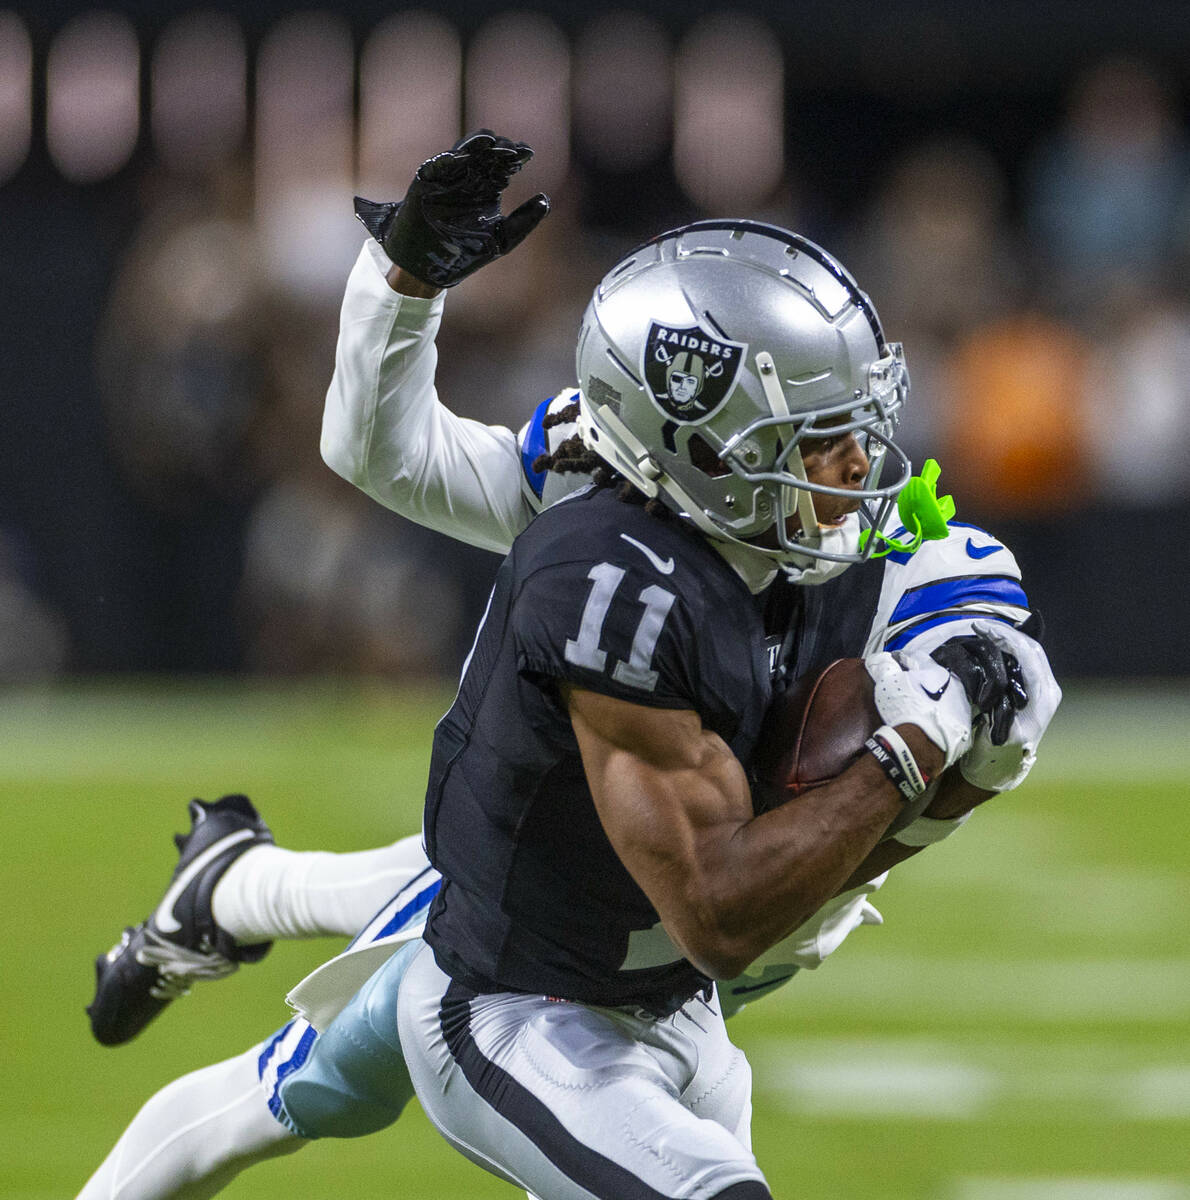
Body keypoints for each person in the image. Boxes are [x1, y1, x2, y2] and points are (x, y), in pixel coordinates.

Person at [78, 134, 1060, 1199]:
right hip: (537, 974)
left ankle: (228, 882)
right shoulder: (604, 541)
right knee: (362, 1044)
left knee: (308, 1075)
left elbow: (980, 721)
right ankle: (232, 886)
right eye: (814, 439)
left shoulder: (877, 561)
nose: (862, 467)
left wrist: (966, 715)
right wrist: (399, 284)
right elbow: (386, 453)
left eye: (854, 427)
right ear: (694, 445)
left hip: (645, 951)